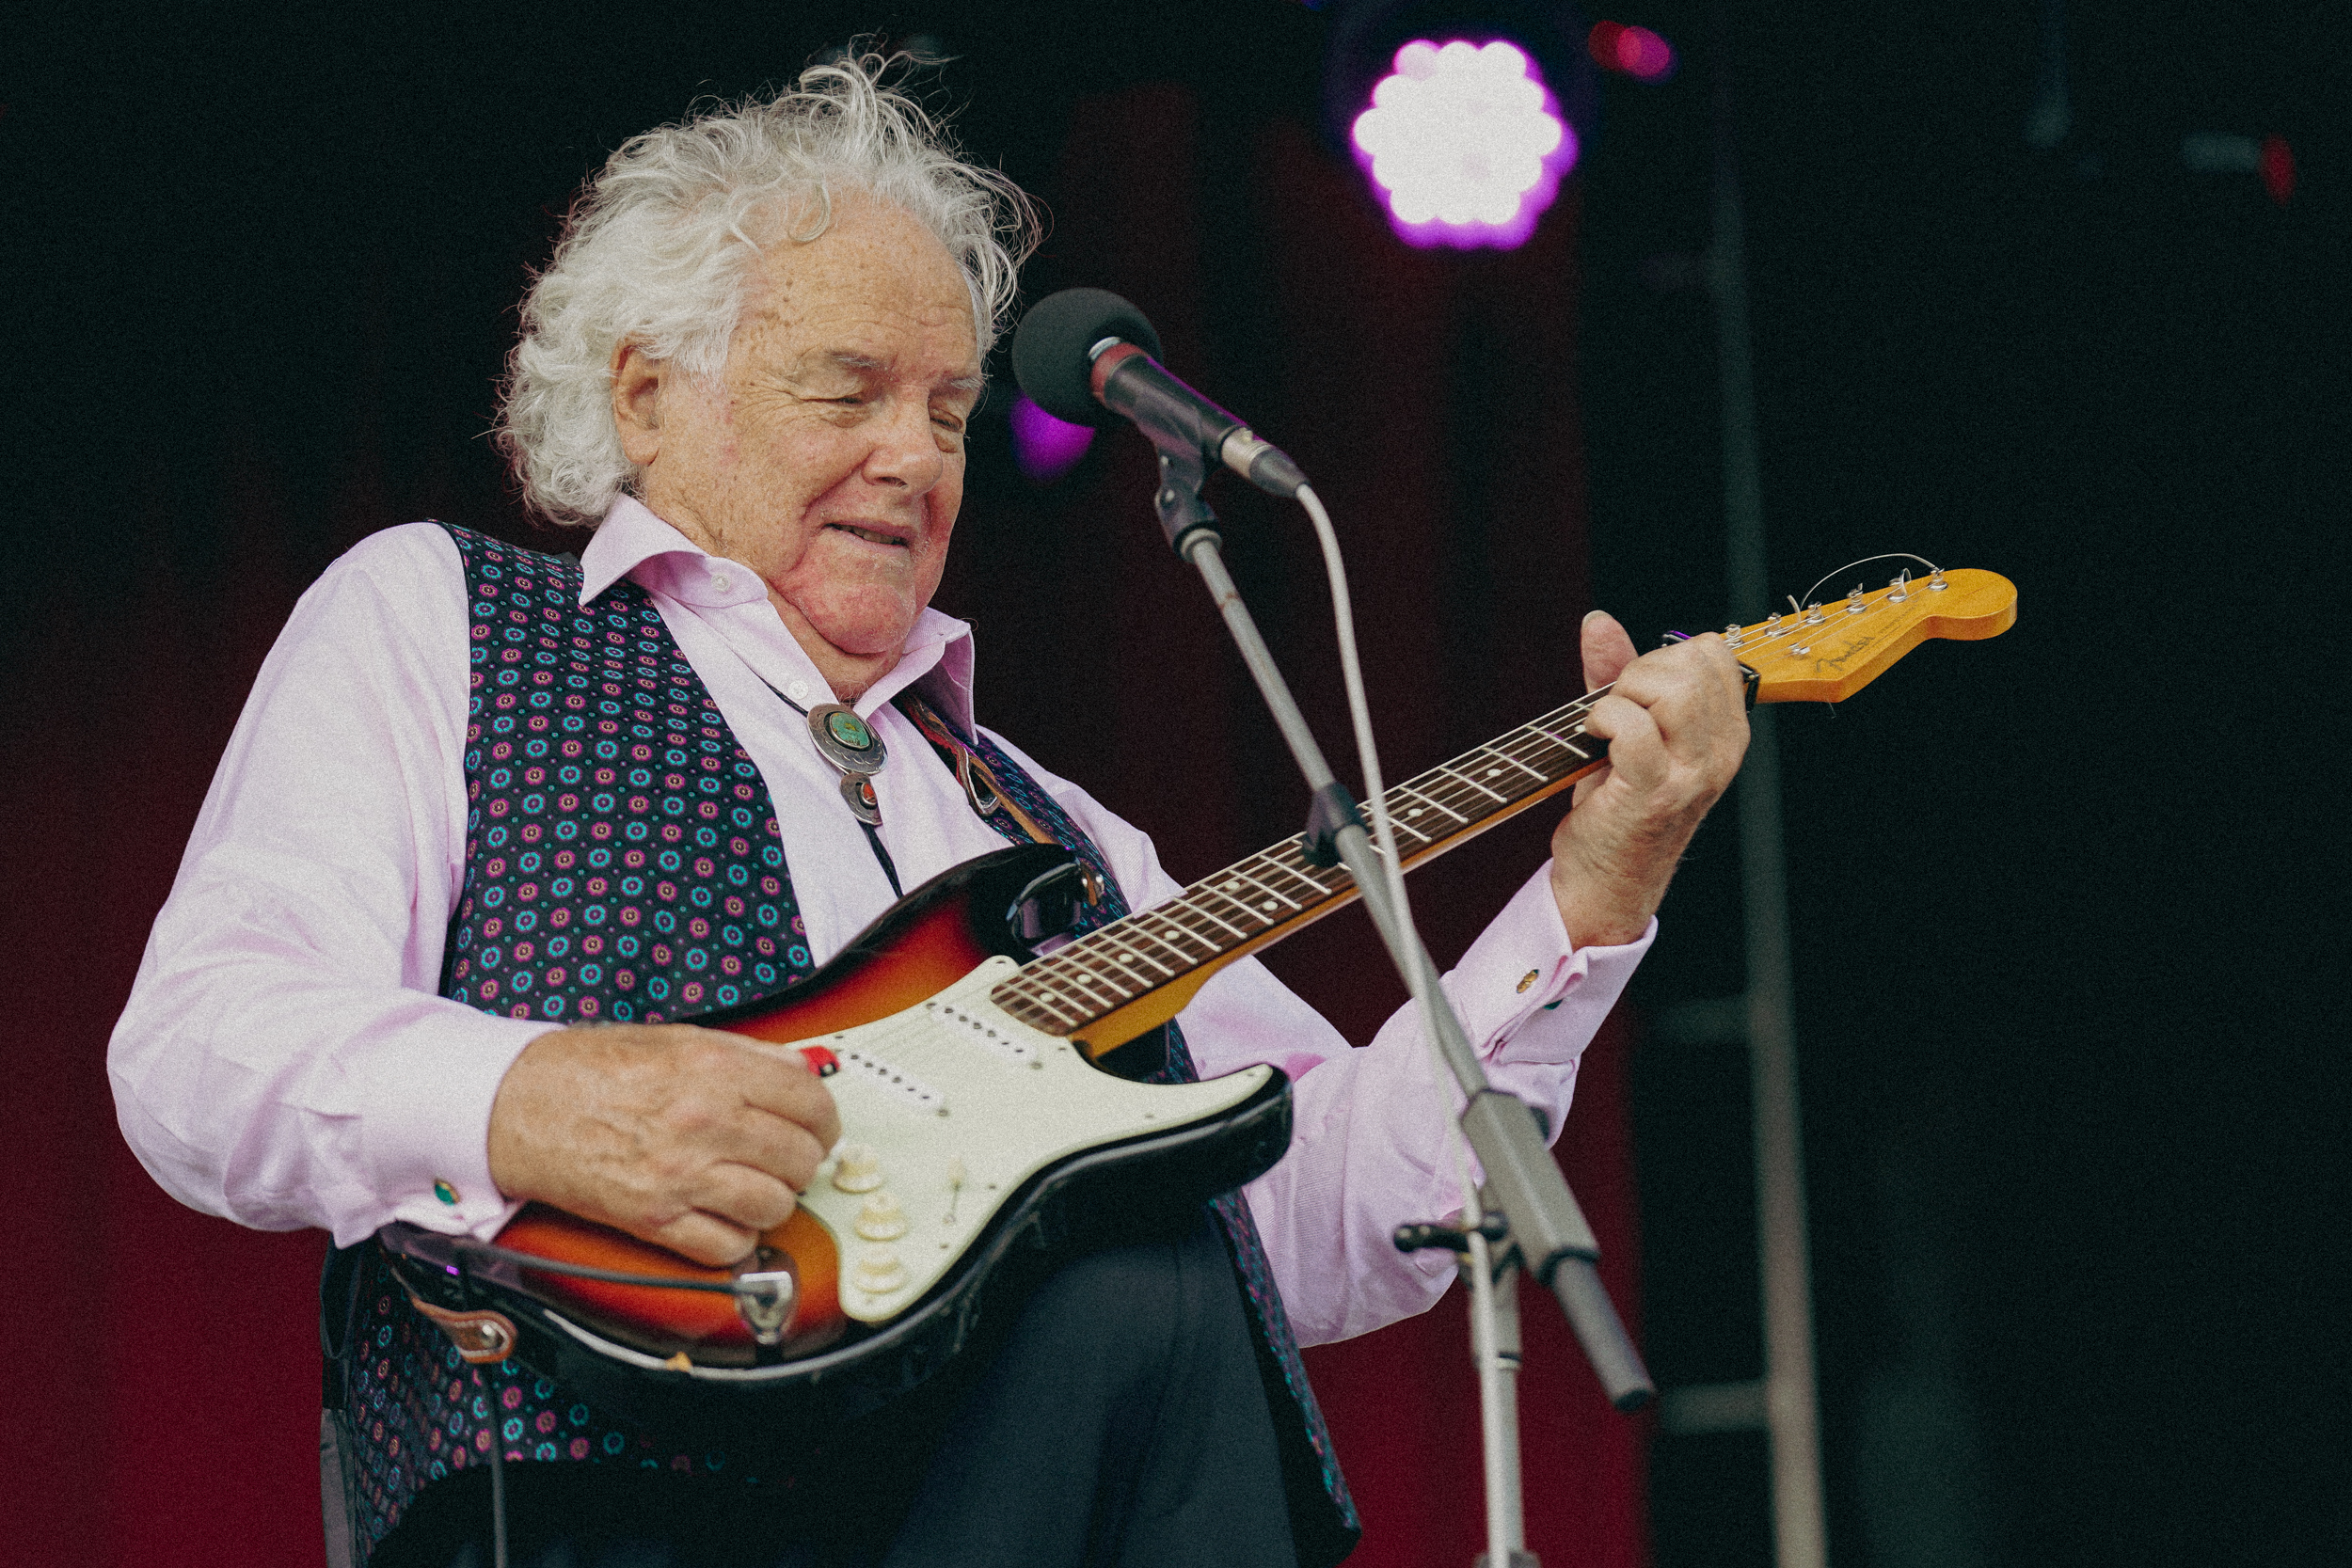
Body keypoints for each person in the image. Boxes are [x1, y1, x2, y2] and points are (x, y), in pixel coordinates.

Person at [108, 54, 1748, 1568]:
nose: (917, 456)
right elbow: (197, 1045)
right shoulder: (443, 620)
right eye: (847, 392)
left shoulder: (1047, 835)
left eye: (952, 409)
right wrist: (530, 1095)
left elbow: (1318, 1223)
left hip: (1018, 1491)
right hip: (613, 1492)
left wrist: (1596, 890)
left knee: (1171, 1279)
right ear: (650, 396)